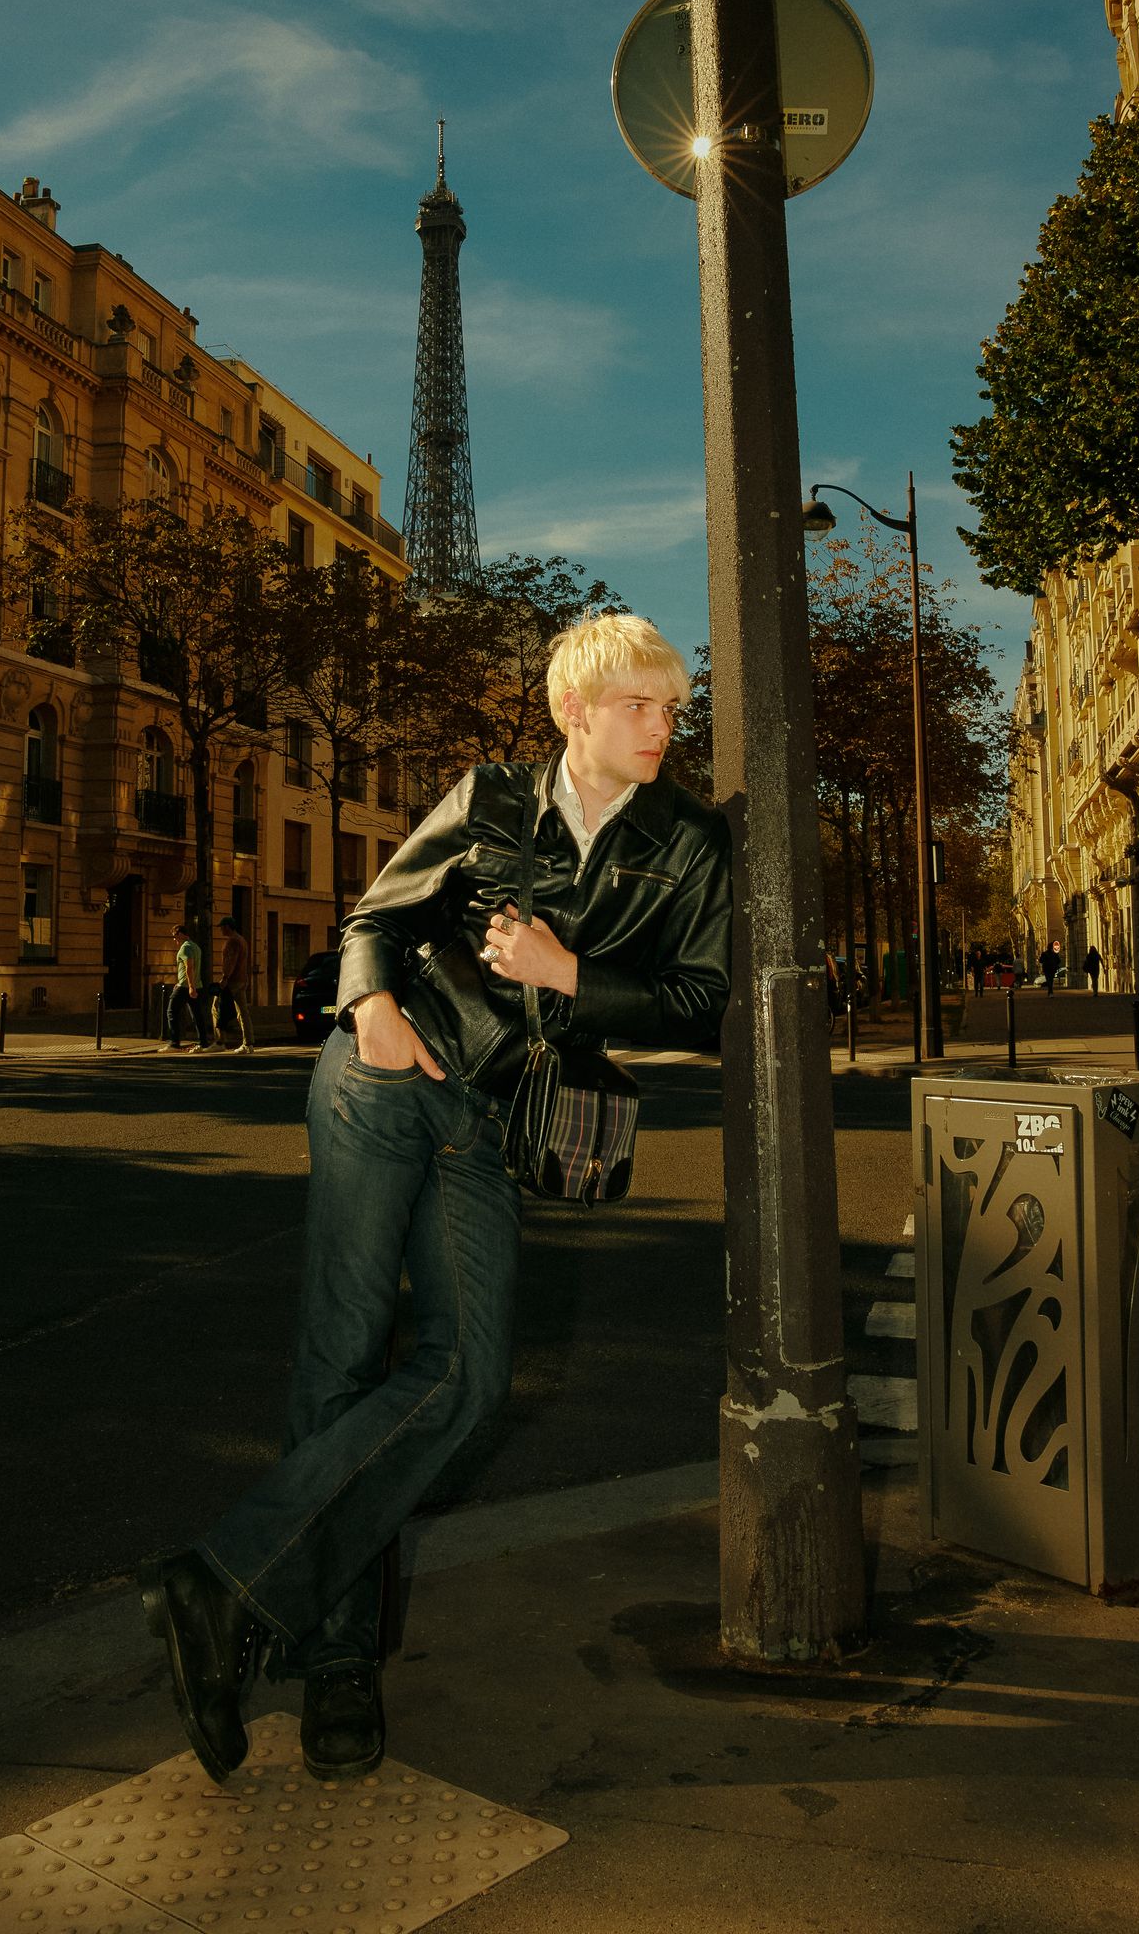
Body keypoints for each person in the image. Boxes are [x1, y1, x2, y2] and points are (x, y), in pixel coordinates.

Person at [138, 614, 732, 1788]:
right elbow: (374, 916)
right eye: (641, 706)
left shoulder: (689, 840)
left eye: (673, 707)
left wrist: (575, 977)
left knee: (465, 1374)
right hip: (384, 1075)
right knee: (344, 1354)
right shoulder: (489, 797)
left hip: (493, 1117)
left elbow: (705, 997)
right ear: (576, 711)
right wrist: (367, 1008)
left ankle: (224, 1581)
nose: (665, 726)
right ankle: (337, 1660)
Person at [159, 922, 209, 1052]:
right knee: (197, 1015)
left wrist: (190, 986)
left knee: (171, 1012)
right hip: (195, 985)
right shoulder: (196, 947)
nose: (174, 940)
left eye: (175, 937)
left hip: (186, 987)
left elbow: (189, 967)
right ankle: (203, 1043)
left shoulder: (185, 948)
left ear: (180, 934)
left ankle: (174, 1043)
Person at [215, 917, 255, 1053]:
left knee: (216, 1007)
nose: (220, 929)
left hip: (232, 981)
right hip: (242, 979)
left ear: (227, 927)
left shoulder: (232, 941)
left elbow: (230, 961)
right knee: (243, 1012)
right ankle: (248, 1043)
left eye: (222, 927)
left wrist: (225, 977)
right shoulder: (242, 940)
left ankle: (220, 1041)